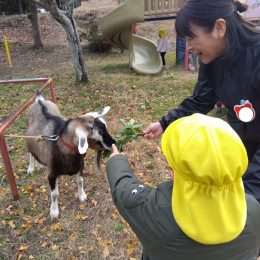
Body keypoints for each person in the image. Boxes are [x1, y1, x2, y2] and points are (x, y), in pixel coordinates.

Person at [143, 0, 260, 202]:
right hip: (243, 144)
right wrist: (164, 123)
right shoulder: (213, 58)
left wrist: (251, 188)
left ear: (219, 27)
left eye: (191, 38)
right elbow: (200, 100)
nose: (188, 46)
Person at [106, 114, 260, 260]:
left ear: (174, 173)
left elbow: (124, 192)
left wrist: (116, 160)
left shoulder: (156, 214)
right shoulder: (252, 208)